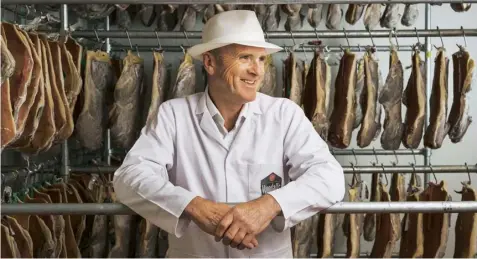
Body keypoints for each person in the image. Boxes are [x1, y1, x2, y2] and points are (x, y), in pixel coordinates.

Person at [113, 9, 345, 258]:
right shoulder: (174, 115)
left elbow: (330, 178)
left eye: (261, 60)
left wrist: (269, 205)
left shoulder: (284, 115)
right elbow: (128, 177)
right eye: (245, 57)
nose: (257, 71)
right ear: (210, 63)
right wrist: (191, 205)